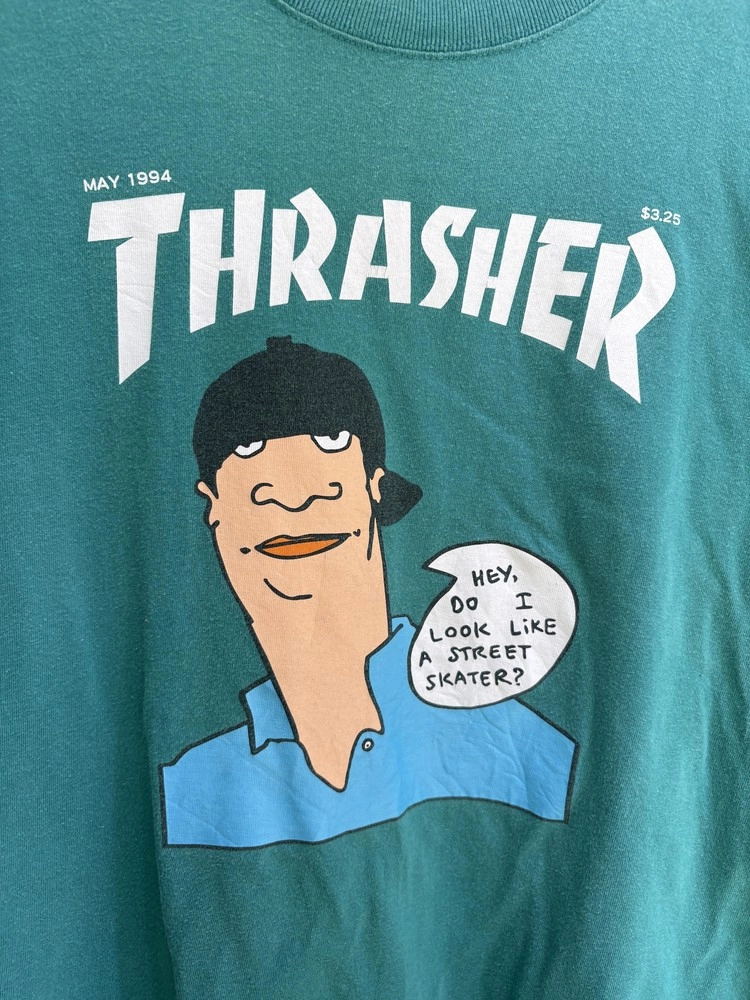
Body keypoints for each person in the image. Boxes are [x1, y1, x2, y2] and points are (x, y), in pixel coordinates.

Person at [160, 337, 576, 848]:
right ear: (213, 505)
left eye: (330, 438)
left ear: (375, 486)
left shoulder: (527, 755)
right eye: (247, 449)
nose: (294, 492)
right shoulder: (187, 793)